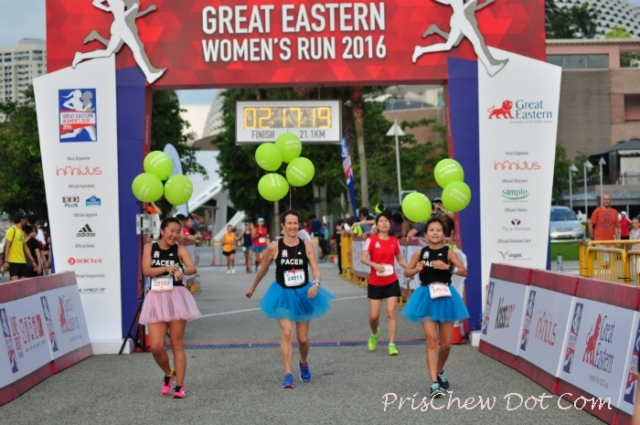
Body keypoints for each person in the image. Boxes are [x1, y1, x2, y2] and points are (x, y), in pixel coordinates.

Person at [246, 210, 335, 388]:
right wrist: (253, 288)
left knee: (303, 339)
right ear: (283, 225)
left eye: (295, 223)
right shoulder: (274, 247)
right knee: (287, 333)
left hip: (304, 294)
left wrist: (316, 284)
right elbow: (263, 269)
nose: (293, 226)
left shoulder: (307, 246)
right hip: (282, 293)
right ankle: (288, 373)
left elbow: (316, 269)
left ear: (298, 225)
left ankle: (303, 362)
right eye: (289, 223)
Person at [403, 217, 470, 397]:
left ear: (443, 234)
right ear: (425, 234)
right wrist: (416, 269)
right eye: (431, 230)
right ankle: (433, 383)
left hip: (445, 296)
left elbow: (464, 271)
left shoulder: (448, 252)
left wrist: (448, 267)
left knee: (446, 345)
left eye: (438, 230)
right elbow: (407, 272)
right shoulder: (420, 253)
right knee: (432, 340)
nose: (435, 233)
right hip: (426, 296)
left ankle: (439, 370)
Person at [139, 217, 201, 399]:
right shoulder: (149, 248)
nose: (175, 235)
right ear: (162, 231)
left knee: (176, 344)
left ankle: (180, 386)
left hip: (176, 297)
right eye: (171, 231)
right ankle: (169, 373)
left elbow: (192, 268)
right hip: (156, 297)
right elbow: (146, 271)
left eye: (177, 232)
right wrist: (166, 268)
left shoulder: (180, 249)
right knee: (156, 347)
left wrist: (181, 269)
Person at [73, 0, 166, 84]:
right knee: (136, 48)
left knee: (108, 52)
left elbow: (96, 2)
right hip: (122, 26)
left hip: (119, 26)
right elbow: (96, 3)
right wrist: (109, 9)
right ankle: (149, 75)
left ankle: (80, 56)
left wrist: (108, 9)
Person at [412, 0, 508, 76]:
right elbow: (455, 5)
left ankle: (420, 50)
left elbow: (471, 8)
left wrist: (486, 2)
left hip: (460, 20)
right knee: (477, 42)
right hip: (462, 20)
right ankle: (490, 68)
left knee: (448, 45)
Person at [359, 211, 410, 356]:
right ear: (377, 224)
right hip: (375, 282)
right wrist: (375, 265)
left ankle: (392, 344)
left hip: (391, 281)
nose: (384, 223)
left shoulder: (394, 241)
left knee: (390, 313)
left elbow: (400, 260)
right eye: (381, 221)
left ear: (390, 224)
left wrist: (411, 268)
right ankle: (374, 333)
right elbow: (363, 258)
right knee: (374, 317)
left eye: (386, 221)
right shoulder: (372, 239)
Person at [3, 212, 38, 280]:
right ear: (22, 220)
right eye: (25, 219)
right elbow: (7, 246)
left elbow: (25, 247)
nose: (25, 221)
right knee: (15, 283)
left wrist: (33, 261)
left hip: (22, 261)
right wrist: (6, 261)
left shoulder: (21, 232)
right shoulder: (11, 230)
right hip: (13, 261)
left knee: (22, 284)